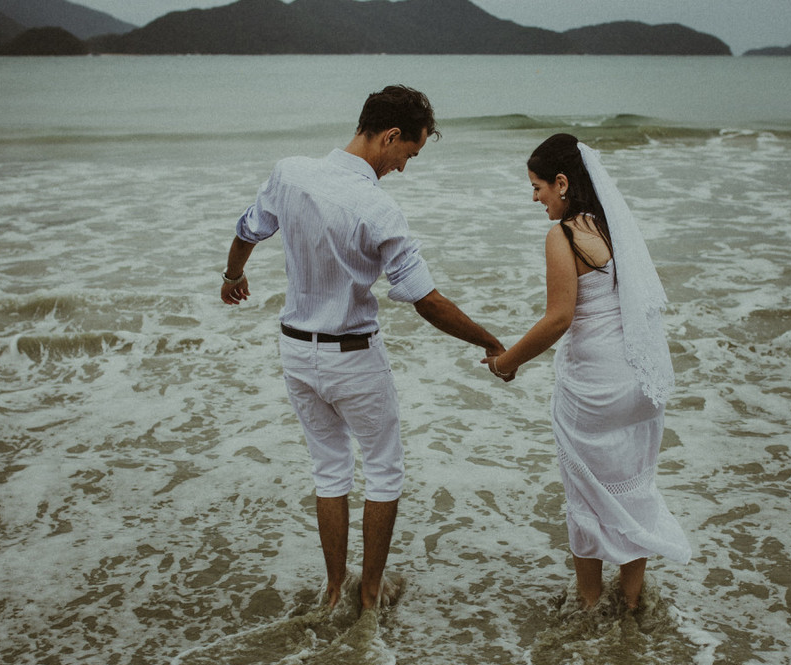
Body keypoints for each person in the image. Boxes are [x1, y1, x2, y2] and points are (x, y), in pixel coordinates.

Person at [220, 85, 507, 612]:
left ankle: (334, 591)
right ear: (391, 137)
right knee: (383, 470)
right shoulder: (378, 208)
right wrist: (489, 341)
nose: (403, 167)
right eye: (409, 154)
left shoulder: (290, 173)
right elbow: (425, 300)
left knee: (329, 468)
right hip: (352, 357)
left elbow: (247, 230)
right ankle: (369, 594)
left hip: (296, 354)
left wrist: (232, 276)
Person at [483, 133, 692, 610]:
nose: (534, 197)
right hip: (640, 384)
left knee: (586, 496)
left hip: (595, 391)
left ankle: (589, 602)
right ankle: (633, 601)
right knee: (634, 490)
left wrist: (505, 363)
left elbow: (559, 319)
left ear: (562, 183)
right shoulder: (613, 226)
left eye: (537, 186)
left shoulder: (562, 236)